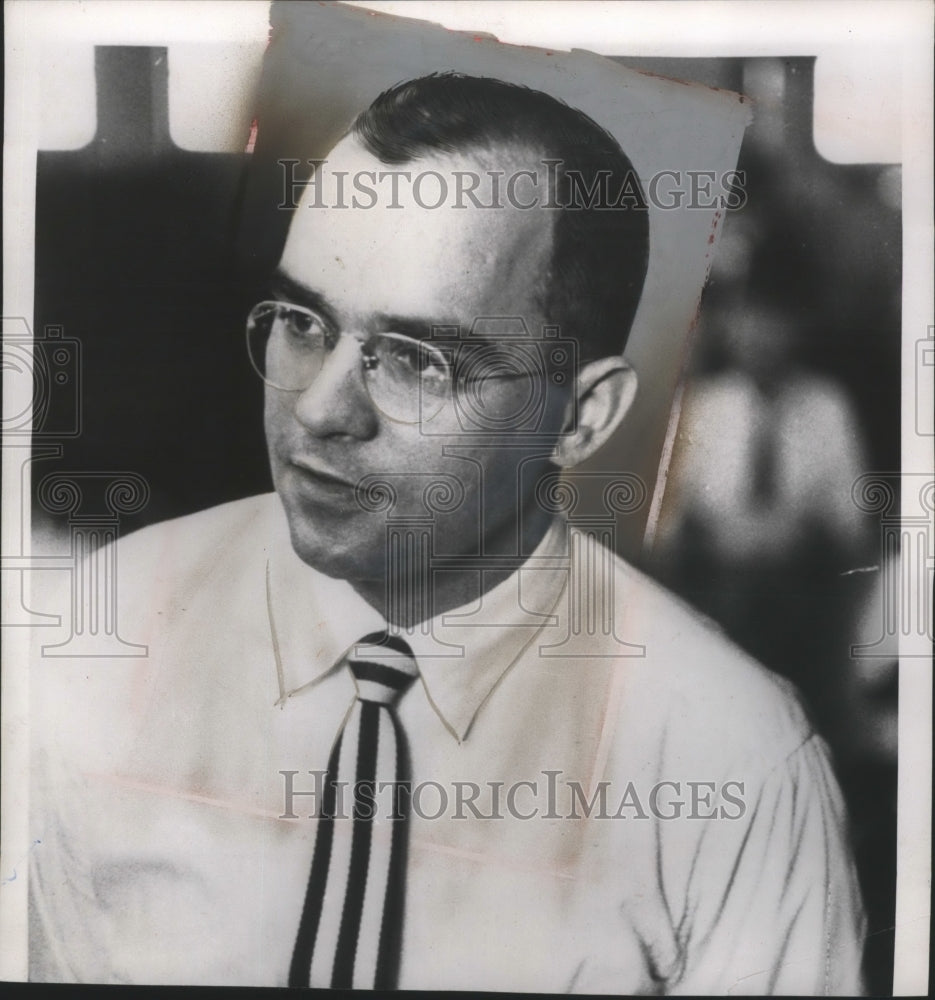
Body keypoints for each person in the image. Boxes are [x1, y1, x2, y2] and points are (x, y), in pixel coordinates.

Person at [29, 74, 865, 992]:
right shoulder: (101, 646)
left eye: (418, 361)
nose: (319, 408)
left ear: (582, 418)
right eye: (302, 322)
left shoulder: (730, 759)